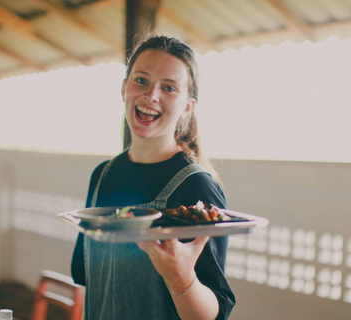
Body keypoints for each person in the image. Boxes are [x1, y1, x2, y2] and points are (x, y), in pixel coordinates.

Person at [71, 33, 235, 320]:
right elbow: (91, 282)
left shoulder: (197, 186)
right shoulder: (102, 176)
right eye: (141, 80)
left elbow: (213, 315)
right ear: (124, 89)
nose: (152, 95)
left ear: (187, 106)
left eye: (169, 88)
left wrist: (180, 279)